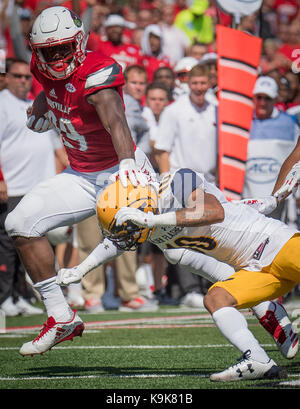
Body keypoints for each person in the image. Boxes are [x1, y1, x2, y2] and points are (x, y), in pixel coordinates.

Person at [4, 6, 152, 357]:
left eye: (62, 49)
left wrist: (128, 163)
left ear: (79, 42)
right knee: (19, 223)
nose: (55, 58)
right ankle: (61, 316)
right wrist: (43, 105)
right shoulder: (42, 68)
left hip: (121, 169)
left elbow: (116, 121)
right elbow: (55, 85)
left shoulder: (97, 71)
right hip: (82, 175)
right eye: (48, 51)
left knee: (183, 246)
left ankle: (262, 305)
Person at [56, 168, 299, 382]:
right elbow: (115, 243)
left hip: (278, 244)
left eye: (126, 228)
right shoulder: (145, 217)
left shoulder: (178, 181)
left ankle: (268, 311)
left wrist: (152, 219)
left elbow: (213, 212)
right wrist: (81, 269)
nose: (126, 236)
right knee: (216, 298)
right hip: (253, 268)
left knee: (176, 254)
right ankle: (257, 359)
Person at [0, 58, 65, 317]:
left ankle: (18, 294)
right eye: (17, 76)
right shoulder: (2, 104)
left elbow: (55, 144)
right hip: (14, 184)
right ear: (6, 77)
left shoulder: (36, 102)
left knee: (28, 242)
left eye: (26, 77)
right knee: (8, 244)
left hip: (39, 185)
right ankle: (4, 296)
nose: (23, 81)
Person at [242, 76, 299, 221]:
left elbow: (296, 158)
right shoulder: (243, 123)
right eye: (259, 97)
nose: (262, 102)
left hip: (279, 201)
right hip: (248, 199)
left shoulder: (289, 123)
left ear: (275, 99)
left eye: (267, 98)